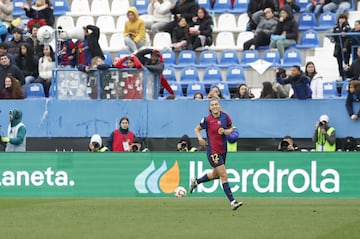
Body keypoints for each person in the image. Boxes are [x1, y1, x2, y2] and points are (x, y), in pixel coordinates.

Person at [190, 98, 243, 211]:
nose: (214, 106)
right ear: (210, 108)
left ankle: (196, 181)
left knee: (216, 175)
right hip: (212, 151)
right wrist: (200, 138)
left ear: (219, 106)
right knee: (224, 174)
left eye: (216, 104)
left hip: (223, 150)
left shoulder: (225, 117)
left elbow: (231, 128)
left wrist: (226, 131)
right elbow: (197, 129)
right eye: (212, 105)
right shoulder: (207, 120)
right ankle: (233, 201)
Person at [331, 13, 351, 81]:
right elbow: (333, 35)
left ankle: (347, 75)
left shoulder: (347, 27)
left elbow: (348, 38)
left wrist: (345, 47)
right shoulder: (336, 27)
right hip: (338, 47)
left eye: (343, 18)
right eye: (340, 18)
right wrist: (332, 39)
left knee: (346, 62)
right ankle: (341, 75)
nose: (341, 20)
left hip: (345, 48)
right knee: (339, 63)